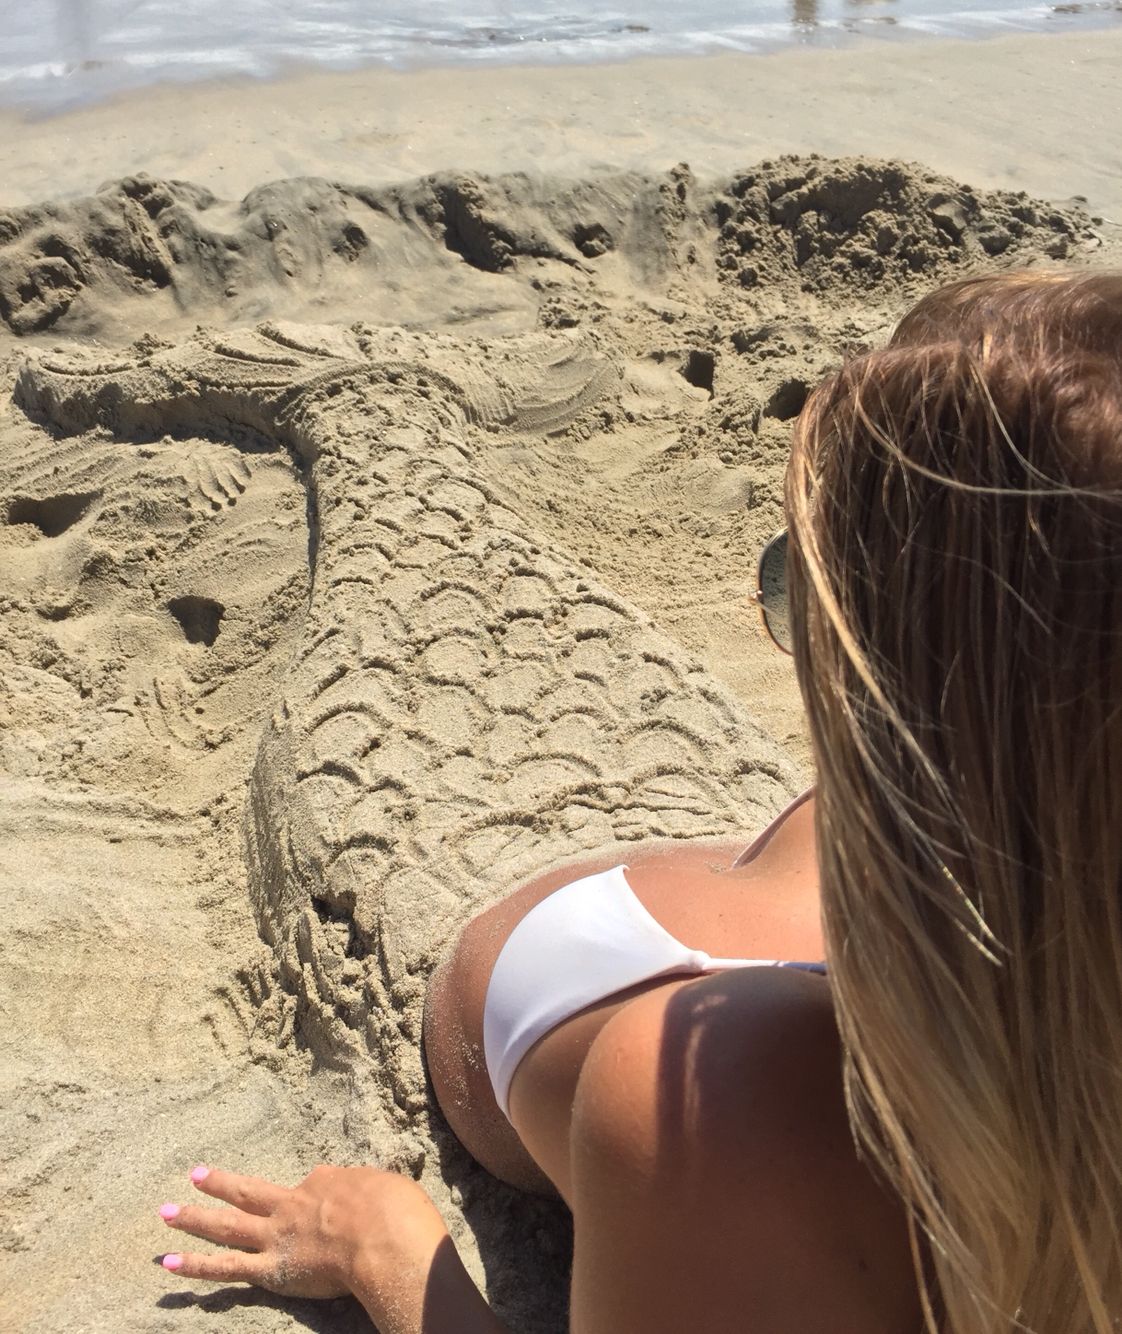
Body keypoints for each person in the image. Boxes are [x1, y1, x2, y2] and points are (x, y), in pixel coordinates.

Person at [154, 269, 1122, 1333]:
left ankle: (365, 410)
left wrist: (391, 1251)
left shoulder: (737, 1110)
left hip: (575, 987)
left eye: (807, 596)